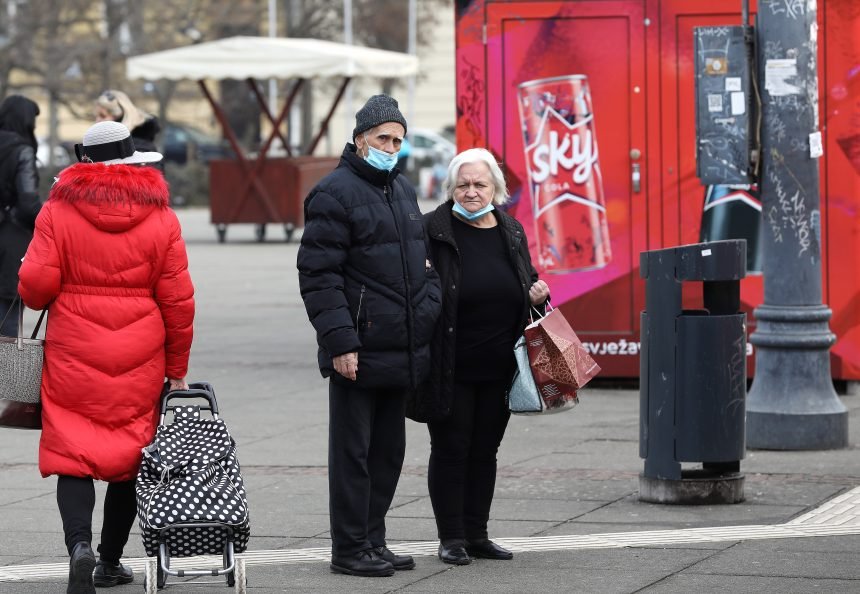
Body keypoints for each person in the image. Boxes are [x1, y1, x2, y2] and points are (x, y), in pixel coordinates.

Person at [18, 120, 195, 594]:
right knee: (129, 455)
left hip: (73, 349)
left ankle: (79, 548)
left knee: (73, 453)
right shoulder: (162, 218)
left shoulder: (57, 212)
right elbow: (179, 301)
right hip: (140, 353)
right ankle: (111, 561)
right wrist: (177, 368)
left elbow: (34, 291)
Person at [297, 94, 442, 578]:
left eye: (398, 139)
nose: (391, 146)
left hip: (399, 347)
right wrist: (340, 341)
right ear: (360, 139)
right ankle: (350, 547)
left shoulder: (400, 189)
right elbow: (319, 277)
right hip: (357, 349)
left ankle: (373, 540)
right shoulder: (332, 194)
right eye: (383, 138)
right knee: (353, 457)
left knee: (388, 455)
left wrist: (428, 307)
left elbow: (421, 261)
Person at [412, 148, 549, 566]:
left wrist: (538, 294)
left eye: (480, 184)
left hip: (500, 365)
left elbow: (527, 280)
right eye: (463, 184)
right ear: (451, 187)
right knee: (451, 448)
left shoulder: (510, 229)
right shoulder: (432, 229)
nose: (471, 192)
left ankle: (478, 534)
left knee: (485, 450)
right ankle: (451, 537)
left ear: (496, 189)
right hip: (449, 364)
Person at [0, 95, 41, 336]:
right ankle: (6, 374)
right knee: (7, 321)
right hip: (11, 241)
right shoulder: (21, 150)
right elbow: (28, 202)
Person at [94, 89, 162, 166]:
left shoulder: (139, 150)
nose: (97, 121)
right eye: (96, 116)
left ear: (119, 118)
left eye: (103, 116)